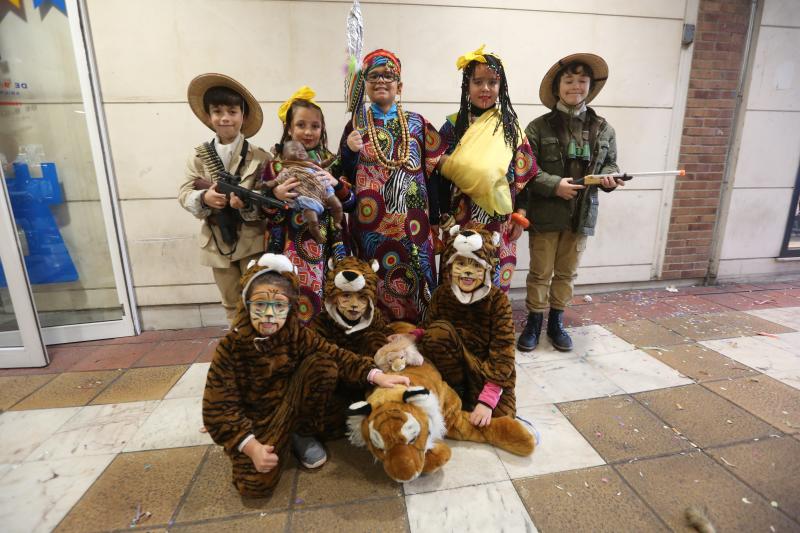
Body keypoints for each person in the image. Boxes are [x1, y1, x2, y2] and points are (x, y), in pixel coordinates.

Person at [202, 253, 409, 498]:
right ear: (246, 304)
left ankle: (301, 433)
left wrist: (375, 375)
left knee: (323, 364)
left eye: (278, 305)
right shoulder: (231, 347)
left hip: (291, 407)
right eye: (260, 305)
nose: (269, 315)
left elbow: (334, 353)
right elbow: (217, 409)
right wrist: (249, 445)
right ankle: (272, 442)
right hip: (257, 422)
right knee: (254, 486)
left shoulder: (297, 333)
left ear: (289, 307)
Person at [516, 53, 623, 353]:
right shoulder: (538, 128)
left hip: (581, 215)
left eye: (582, 81)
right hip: (546, 215)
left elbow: (610, 165)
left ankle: (556, 323)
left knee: (567, 273)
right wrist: (554, 186)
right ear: (557, 87)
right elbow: (525, 171)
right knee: (540, 273)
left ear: (590, 86)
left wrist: (610, 178)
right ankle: (534, 322)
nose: (576, 86)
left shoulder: (604, 128)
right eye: (569, 80)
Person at [340, 49, 447, 323]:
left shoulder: (418, 123)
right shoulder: (355, 124)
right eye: (374, 75)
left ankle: (421, 330)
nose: (381, 81)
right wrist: (349, 152)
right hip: (370, 226)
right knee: (376, 278)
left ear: (399, 86)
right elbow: (343, 176)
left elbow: (433, 172)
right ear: (364, 84)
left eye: (388, 75)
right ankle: (377, 330)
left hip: (414, 223)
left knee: (418, 274)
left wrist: (435, 218)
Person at [434, 45, 538, 292]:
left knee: (492, 280)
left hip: (499, 222)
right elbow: (436, 176)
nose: (485, 89)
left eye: (492, 82)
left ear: (500, 86)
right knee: (458, 277)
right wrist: (440, 218)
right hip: (459, 220)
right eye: (478, 82)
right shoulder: (452, 128)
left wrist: (520, 216)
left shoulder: (511, 128)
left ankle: (490, 329)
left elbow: (525, 175)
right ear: (466, 86)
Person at [260, 86, 360, 324]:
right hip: (289, 245)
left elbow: (351, 203)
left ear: (322, 129)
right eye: (301, 125)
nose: (308, 132)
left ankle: (327, 346)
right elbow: (262, 208)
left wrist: (336, 184)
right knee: (293, 296)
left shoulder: (332, 162)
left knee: (331, 299)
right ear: (289, 128)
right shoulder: (275, 165)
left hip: (328, 246)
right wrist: (276, 196)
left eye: (315, 126)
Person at [179, 73, 270, 324]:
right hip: (216, 240)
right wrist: (205, 197)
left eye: (232, 111)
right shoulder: (200, 157)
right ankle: (238, 346)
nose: (225, 118)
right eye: (217, 111)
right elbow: (184, 192)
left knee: (258, 298)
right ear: (209, 117)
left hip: (251, 240)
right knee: (231, 301)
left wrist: (248, 204)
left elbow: (267, 196)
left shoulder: (260, 157)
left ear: (243, 116)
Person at [409, 227, 518, 425]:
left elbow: (504, 353)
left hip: (484, 372)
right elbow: (428, 327)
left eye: (475, 265)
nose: (467, 271)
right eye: (460, 263)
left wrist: (488, 399)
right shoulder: (442, 294)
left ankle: (473, 396)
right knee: (437, 333)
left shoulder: (498, 301)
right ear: (450, 266)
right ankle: (454, 391)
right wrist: (413, 336)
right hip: (452, 369)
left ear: (487, 268)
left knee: (502, 419)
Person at [265, 140, 343, 244]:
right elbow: (275, 182)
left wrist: (330, 160)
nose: (300, 151)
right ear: (285, 157)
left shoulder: (311, 163)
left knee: (337, 205)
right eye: (294, 150)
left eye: (302, 150)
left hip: (323, 188)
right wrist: (270, 188)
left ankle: (337, 222)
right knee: (313, 219)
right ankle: (316, 233)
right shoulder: (287, 169)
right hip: (307, 197)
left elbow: (322, 164)